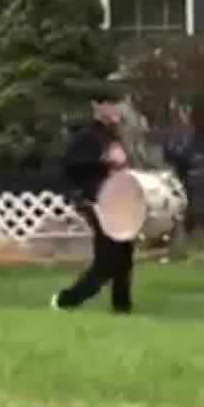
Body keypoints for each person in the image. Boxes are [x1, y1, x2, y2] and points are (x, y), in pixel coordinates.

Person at [52, 84, 134, 313]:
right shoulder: (87, 136)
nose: (115, 109)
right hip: (94, 200)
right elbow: (71, 165)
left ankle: (122, 305)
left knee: (124, 252)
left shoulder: (113, 135)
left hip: (115, 199)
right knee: (108, 258)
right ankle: (65, 300)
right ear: (97, 107)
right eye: (109, 104)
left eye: (116, 104)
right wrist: (106, 162)